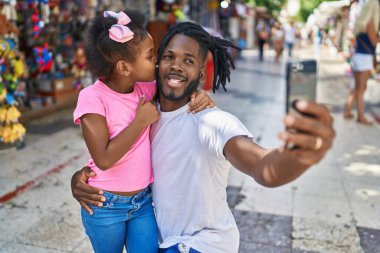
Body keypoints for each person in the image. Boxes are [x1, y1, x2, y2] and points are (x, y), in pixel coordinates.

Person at [71, 22, 335, 253]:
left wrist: (298, 155)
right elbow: (113, 147)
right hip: (161, 240)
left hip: (203, 243)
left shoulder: (211, 121)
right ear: (155, 64)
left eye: (188, 60)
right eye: (168, 57)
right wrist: (82, 176)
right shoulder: (145, 110)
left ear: (201, 73)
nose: (176, 66)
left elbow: (264, 167)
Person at [73, 11, 214, 253]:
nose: (157, 62)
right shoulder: (92, 98)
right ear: (124, 67)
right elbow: (104, 159)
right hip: (105, 204)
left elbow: (176, 89)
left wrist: (197, 93)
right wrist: (140, 122)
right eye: (151, 56)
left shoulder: (145, 89)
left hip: (142, 202)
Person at [344, 0, 380, 125]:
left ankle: (347, 110)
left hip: (360, 56)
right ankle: (361, 116)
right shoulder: (370, 22)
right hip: (364, 57)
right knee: (361, 88)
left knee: (358, 87)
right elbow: (374, 41)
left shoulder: (362, 23)